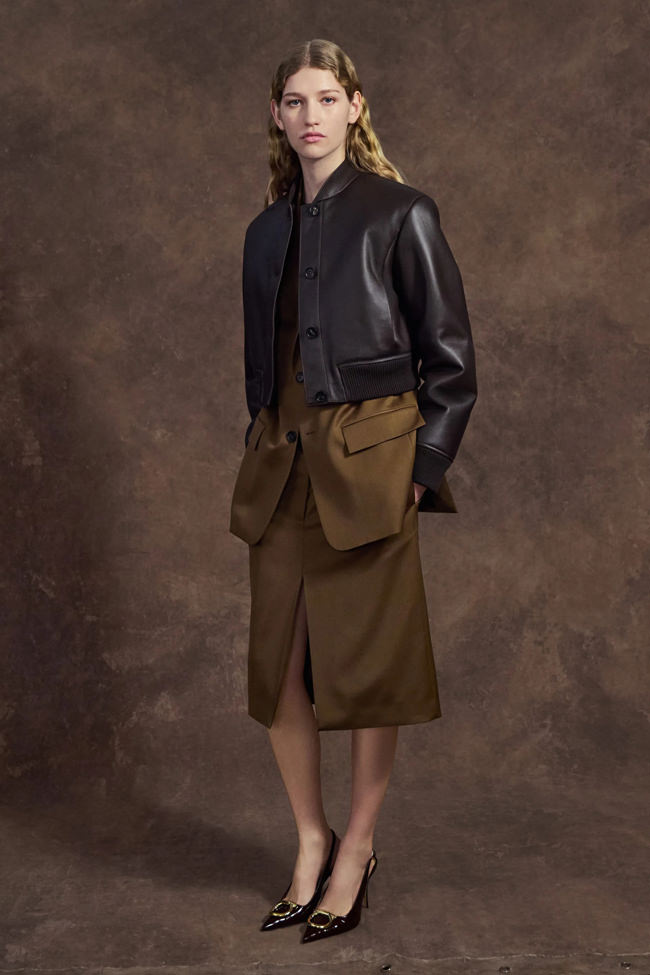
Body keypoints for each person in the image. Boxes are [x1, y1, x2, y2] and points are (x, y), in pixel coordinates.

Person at [229, 38, 477, 942]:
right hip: (282, 466)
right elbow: (262, 368)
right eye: (295, 101)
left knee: (368, 672)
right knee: (279, 671)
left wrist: (421, 470)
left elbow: (451, 362)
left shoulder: (402, 213)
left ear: (355, 107)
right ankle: (311, 838)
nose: (311, 116)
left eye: (327, 99)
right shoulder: (264, 232)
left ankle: (358, 847)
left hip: (373, 471)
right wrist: (262, 439)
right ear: (277, 115)